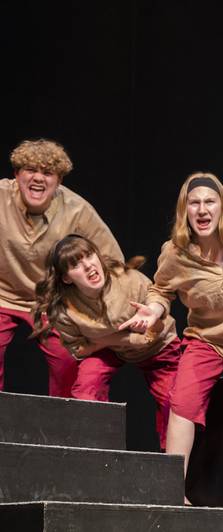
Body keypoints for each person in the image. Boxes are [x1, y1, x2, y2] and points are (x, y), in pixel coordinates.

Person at [120, 173, 223, 530]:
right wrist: (155, 310)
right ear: (185, 210)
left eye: (210, 202)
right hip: (206, 337)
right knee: (182, 402)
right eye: (194, 203)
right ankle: (173, 493)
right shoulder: (175, 253)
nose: (202, 209)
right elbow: (161, 291)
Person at [31, 234, 180, 449]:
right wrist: (114, 339)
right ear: (66, 278)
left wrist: (151, 317)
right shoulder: (65, 309)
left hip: (157, 346)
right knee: (86, 387)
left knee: (173, 402)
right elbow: (78, 350)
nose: (88, 266)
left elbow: (155, 314)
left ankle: (174, 464)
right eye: (76, 264)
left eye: (90, 256)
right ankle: (94, 451)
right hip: (110, 348)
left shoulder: (128, 280)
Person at [0, 138, 123, 397]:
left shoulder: (76, 209)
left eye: (47, 172)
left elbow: (113, 260)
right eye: (30, 170)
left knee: (68, 359)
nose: (38, 178)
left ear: (59, 181)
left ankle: (62, 432)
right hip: (3, 294)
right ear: (16, 175)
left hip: (51, 302)